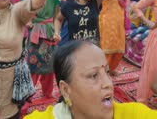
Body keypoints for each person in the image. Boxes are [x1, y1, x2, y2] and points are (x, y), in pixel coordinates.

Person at [24, 40, 157, 119]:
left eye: (107, 72)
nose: (108, 84)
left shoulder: (133, 114)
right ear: (65, 90)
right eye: (93, 75)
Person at [99, 0, 131, 74]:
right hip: (107, 21)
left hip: (119, 22)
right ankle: (103, 71)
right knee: (107, 47)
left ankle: (111, 69)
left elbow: (126, 5)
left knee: (119, 47)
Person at [135, 0, 157, 104]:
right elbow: (137, 7)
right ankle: (143, 101)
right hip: (156, 37)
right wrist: (147, 22)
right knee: (152, 69)